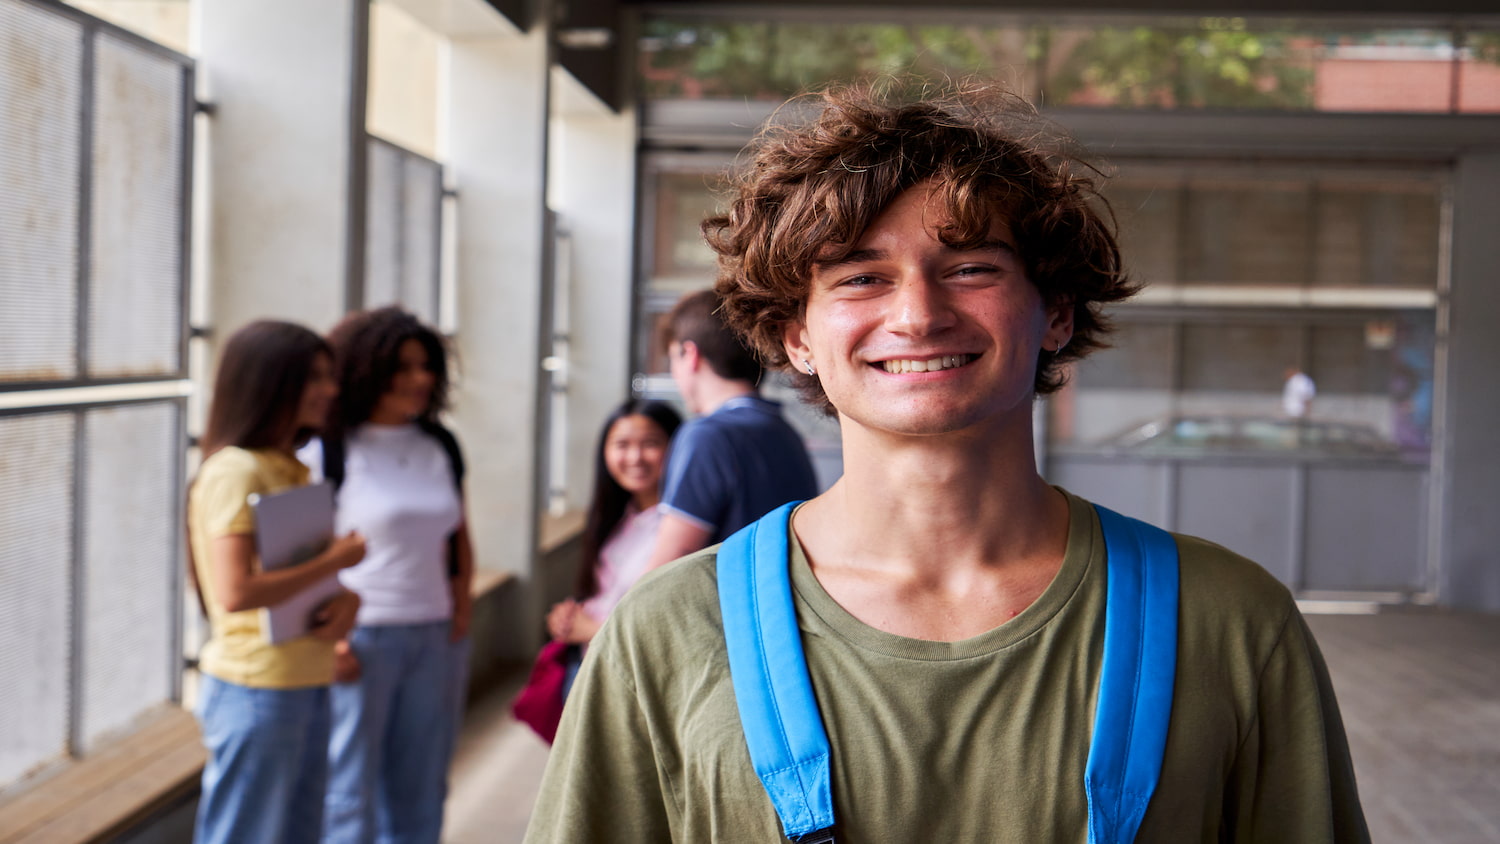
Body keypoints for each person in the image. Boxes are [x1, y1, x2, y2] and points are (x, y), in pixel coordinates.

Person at [525, 85, 1369, 842]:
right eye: (860, 278)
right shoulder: (667, 632)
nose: (918, 314)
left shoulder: (1230, 625)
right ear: (796, 338)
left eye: (969, 268)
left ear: (1058, 314)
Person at [188, 320, 365, 844]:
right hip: (256, 687)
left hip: (304, 676)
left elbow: (296, 586)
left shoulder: (290, 467)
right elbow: (237, 592)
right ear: (269, 383)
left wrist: (344, 600)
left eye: (329, 377)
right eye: (313, 378)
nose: (330, 391)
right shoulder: (236, 471)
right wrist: (335, 559)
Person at [304, 306, 475, 844]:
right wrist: (330, 642)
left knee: (422, 787)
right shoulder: (327, 451)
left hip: (435, 635)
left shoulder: (439, 445)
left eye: (426, 367)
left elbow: (458, 535)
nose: (420, 379)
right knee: (348, 791)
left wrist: (461, 608)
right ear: (366, 370)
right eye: (403, 367)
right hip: (360, 638)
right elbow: (304, 555)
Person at [643, 288, 819, 571]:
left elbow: (669, 563)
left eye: (672, 359)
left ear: (690, 354)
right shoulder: (784, 431)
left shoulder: (707, 436)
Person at [545, 399, 683, 697]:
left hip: (636, 679)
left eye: (650, 443)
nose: (635, 457)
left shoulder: (682, 529)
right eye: (622, 444)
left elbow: (670, 623)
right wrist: (569, 617)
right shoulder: (615, 518)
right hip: (592, 666)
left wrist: (591, 630)